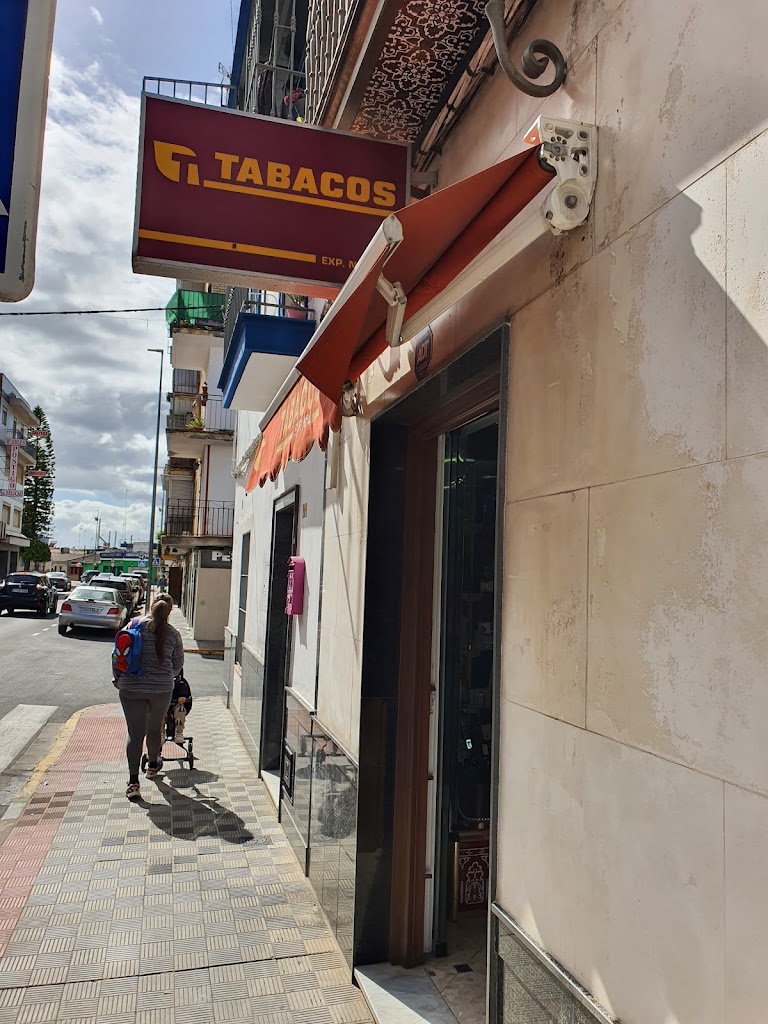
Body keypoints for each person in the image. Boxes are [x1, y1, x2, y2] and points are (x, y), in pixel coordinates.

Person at [113, 596, 184, 800]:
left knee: (135, 734)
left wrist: (117, 677)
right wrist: (163, 676)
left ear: (151, 608)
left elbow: (118, 653)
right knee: (154, 728)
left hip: (131, 686)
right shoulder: (173, 634)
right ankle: (152, 765)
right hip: (161, 689)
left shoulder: (133, 626)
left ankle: (133, 782)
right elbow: (178, 664)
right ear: (169, 611)